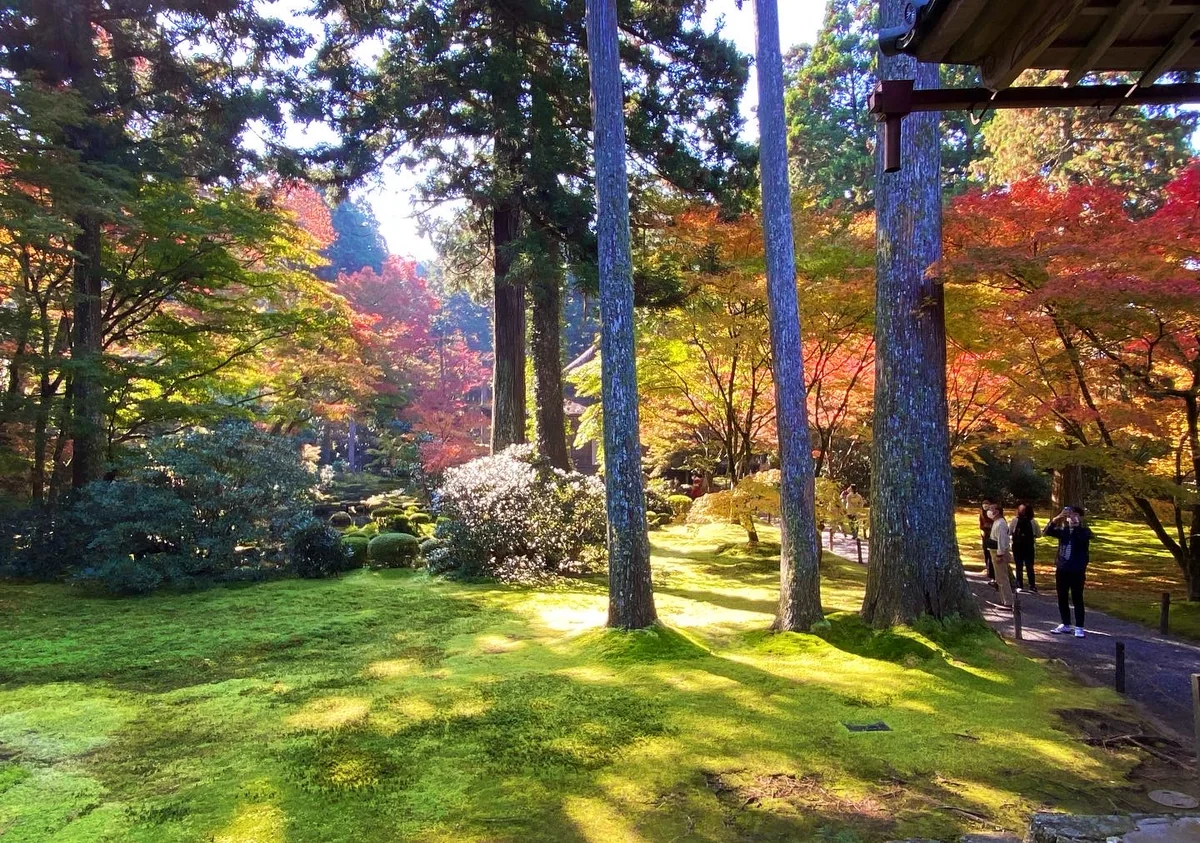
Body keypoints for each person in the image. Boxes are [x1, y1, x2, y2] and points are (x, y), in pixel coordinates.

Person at [1044, 505, 1092, 638]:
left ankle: (1079, 626)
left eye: (1076, 515)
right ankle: (1065, 623)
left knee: (1077, 597)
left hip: (1077, 570)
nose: (1072, 517)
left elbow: (1083, 539)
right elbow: (1047, 531)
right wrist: (1057, 518)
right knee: (1062, 596)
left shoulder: (1084, 531)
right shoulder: (1064, 531)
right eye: (1071, 515)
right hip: (1062, 568)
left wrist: (1076, 525)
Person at [988, 503, 1015, 608]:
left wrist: (1000, 554)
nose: (989, 511)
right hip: (994, 551)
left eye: (991, 509)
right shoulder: (996, 522)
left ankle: (1008, 601)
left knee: (1002, 577)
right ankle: (1003, 599)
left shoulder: (1001, 524)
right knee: (999, 577)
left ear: (997, 511)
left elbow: (1001, 541)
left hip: (998, 553)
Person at [1009, 503, 1041, 593]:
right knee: (1029, 566)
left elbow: (1010, 531)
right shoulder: (1033, 521)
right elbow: (1039, 534)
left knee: (1019, 566)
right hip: (1029, 547)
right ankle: (1032, 586)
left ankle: (1019, 585)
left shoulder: (1015, 520)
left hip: (1017, 546)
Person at [979, 498, 996, 584]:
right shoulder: (981, 514)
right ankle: (988, 571)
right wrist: (982, 531)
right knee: (986, 553)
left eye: (987, 505)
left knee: (991, 554)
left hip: (992, 536)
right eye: (984, 506)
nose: (985, 507)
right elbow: (981, 525)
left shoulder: (992, 513)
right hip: (985, 536)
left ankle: (992, 573)